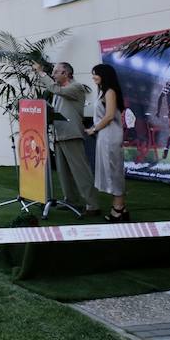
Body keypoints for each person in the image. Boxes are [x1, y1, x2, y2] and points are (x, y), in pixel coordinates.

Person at [30, 61, 99, 216]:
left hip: (71, 135)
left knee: (80, 171)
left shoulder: (76, 87)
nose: (53, 74)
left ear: (66, 73)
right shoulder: (61, 90)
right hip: (59, 135)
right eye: (53, 72)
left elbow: (56, 90)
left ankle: (92, 204)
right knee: (64, 172)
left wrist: (41, 73)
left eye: (56, 72)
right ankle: (71, 200)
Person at [86, 63, 130, 222]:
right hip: (105, 136)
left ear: (104, 75)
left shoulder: (110, 92)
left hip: (110, 136)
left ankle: (118, 208)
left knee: (114, 171)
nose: (93, 77)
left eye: (95, 73)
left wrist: (94, 129)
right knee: (111, 171)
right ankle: (120, 207)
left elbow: (110, 116)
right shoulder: (104, 92)